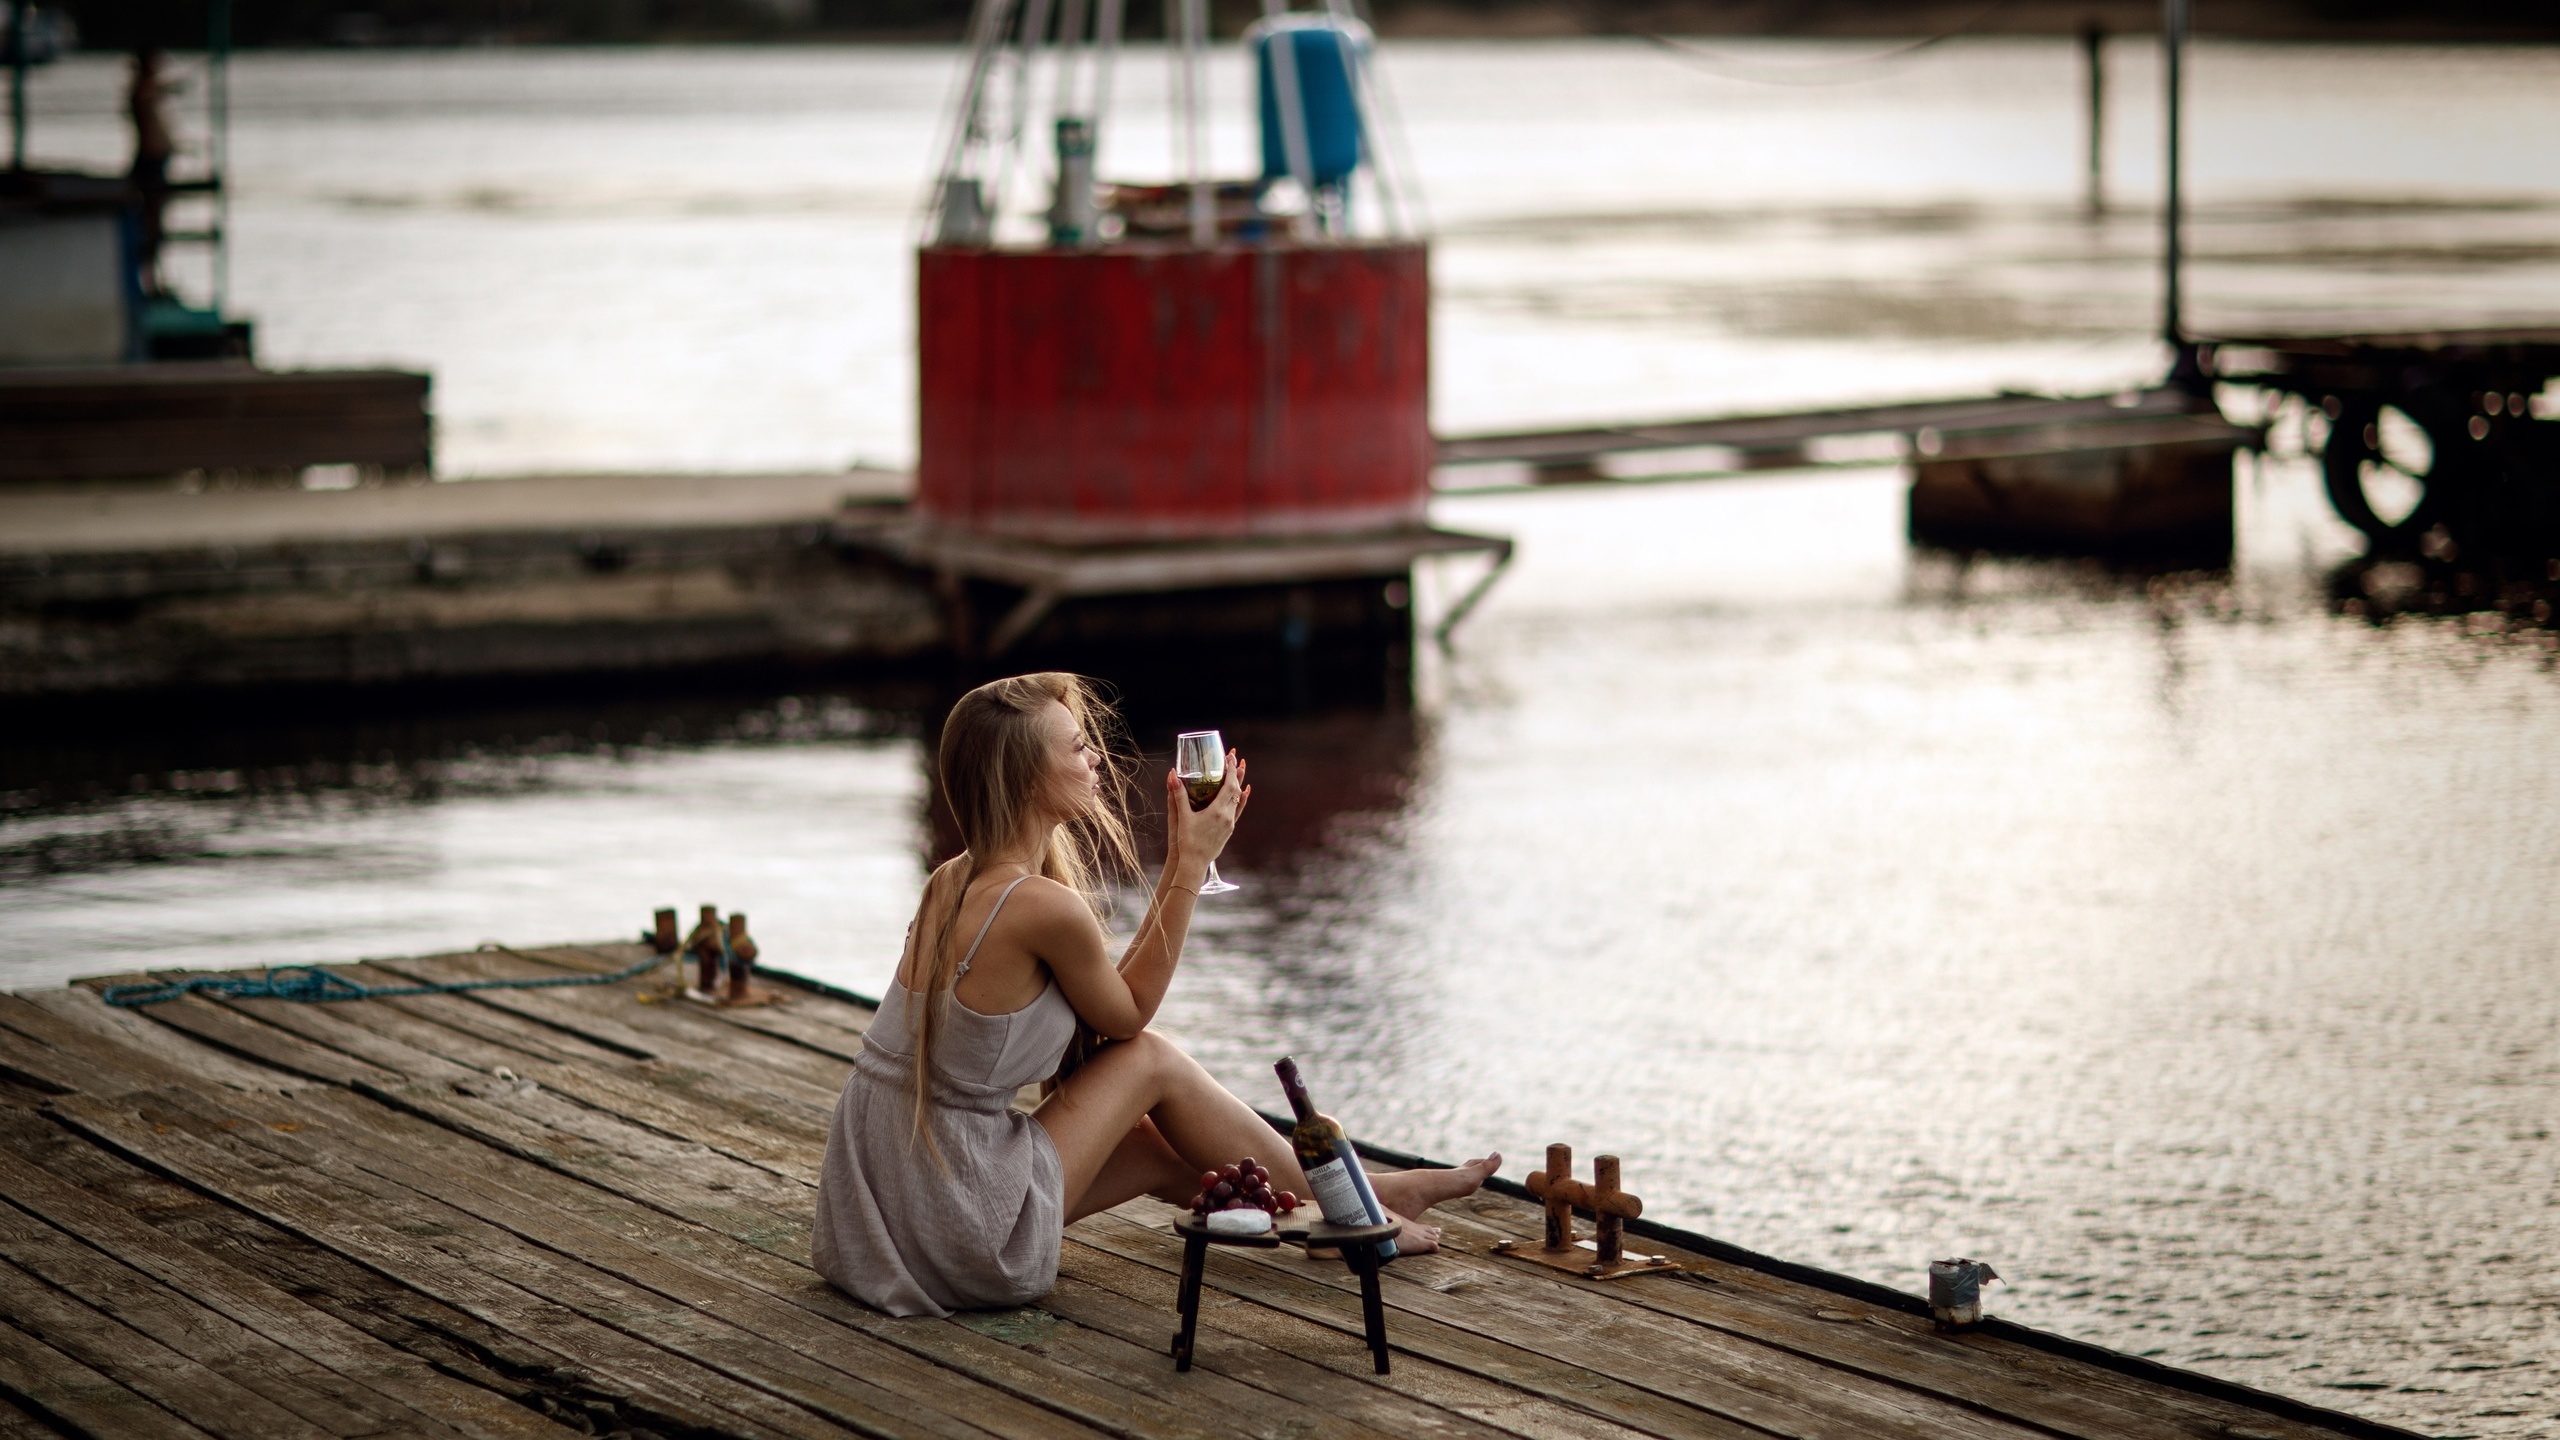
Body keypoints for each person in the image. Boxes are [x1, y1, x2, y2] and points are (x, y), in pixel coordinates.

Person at [814, 673, 1499, 1317]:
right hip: (953, 1222)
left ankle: (1356, 1203)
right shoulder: (1037, 906)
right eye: (1078, 747)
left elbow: (1107, 1004)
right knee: (1153, 1060)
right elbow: (1130, 1021)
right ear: (1027, 779)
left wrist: (1183, 864)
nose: (1096, 763)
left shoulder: (953, 879)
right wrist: (1189, 862)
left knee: (1155, 1148)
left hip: (880, 1203)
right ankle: (1354, 1215)